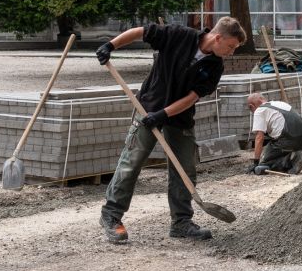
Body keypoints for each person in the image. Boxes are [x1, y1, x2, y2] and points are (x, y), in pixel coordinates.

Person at [95, 16, 245, 244]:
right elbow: (140, 32)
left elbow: (192, 98)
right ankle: (111, 215)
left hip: (179, 116)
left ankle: (181, 223)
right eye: (231, 46)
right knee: (132, 160)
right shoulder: (178, 35)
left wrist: (163, 115)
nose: (232, 52)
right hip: (148, 107)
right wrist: (110, 45)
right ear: (217, 37)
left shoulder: (215, 66)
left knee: (184, 168)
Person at [246, 92, 302, 174]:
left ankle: (291, 161)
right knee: (278, 147)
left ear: (251, 106)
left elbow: (259, 138)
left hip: (288, 138)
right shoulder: (279, 103)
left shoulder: (259, 111)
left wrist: (256, 162)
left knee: (264, 163)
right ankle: (296, 154)